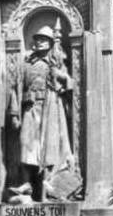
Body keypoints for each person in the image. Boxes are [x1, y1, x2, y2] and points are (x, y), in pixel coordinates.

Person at [8, 23, 73, 201]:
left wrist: (60, 75)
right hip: (29, 107)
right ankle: (26, 184)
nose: (40, 42)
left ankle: (47, 188)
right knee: (26, 145)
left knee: (48, 149)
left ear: (51, 43)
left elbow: (69, 84)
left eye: (44, 39)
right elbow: (14, 88)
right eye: (37, 39)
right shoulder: (26, 63)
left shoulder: (56, 62)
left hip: (49, 108)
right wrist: (14, 114)